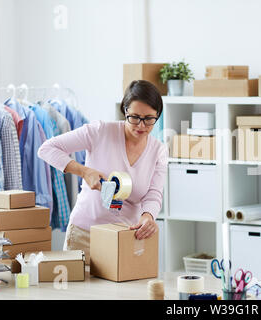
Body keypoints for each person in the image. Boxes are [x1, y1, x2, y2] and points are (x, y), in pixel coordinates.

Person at [38, 80, 168, 264]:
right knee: (78, 292)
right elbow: (47, 149)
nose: (141, 125)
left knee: (121, 292)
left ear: (158, 116)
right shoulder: (100, 131)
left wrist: (148, 216)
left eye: (149, 119)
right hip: (84, 234)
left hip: (124, 237)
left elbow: (154, 194)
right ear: (125, 111)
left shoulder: (159, 151)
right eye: (134, 117)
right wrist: (84, 171)